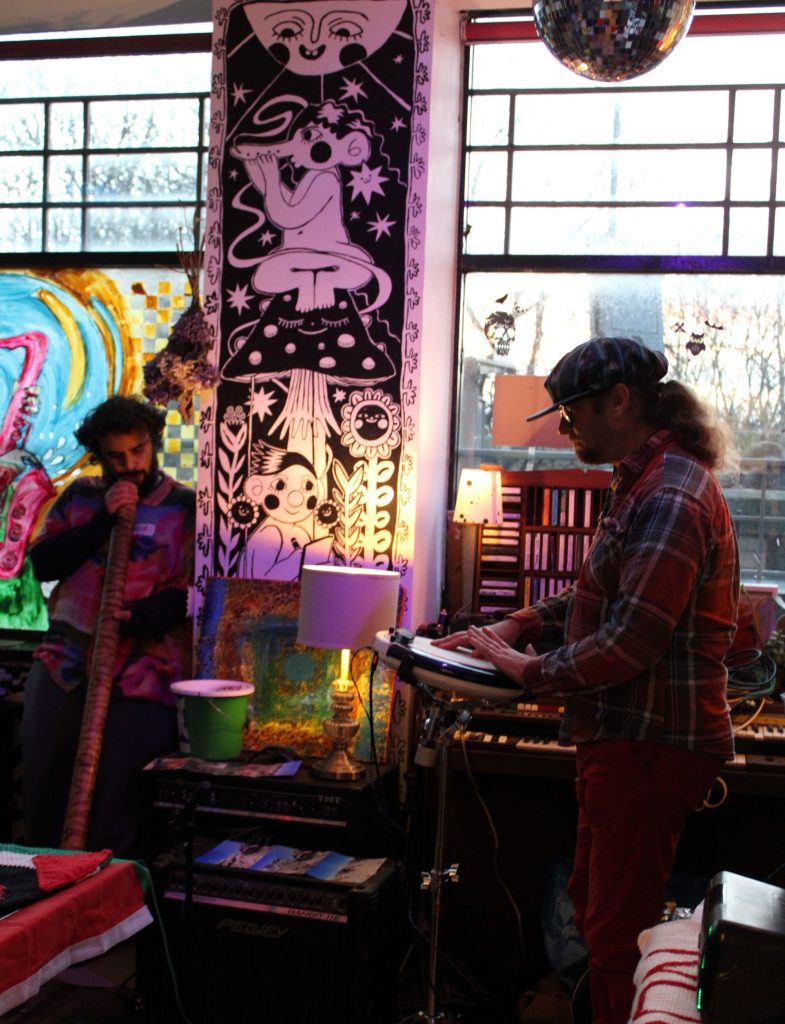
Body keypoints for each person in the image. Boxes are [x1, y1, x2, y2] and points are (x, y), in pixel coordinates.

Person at [435, 337, 739, 1024]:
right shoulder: (646, 479)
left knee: (614, 933)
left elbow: (632, 638)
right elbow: (604, 595)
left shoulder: (670, 494)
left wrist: (530, 670)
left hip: (647, 743)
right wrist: (521, 623)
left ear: (620, 401)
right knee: (596, 913)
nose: (564, 427)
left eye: (572, 412)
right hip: (624, 738)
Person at [22, 395, 195, 857]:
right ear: (100, 455)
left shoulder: (184, 507)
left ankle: (110, 894)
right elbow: (43, 564)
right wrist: (104, 519)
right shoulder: (81, 496)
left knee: (117, 808)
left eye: (138, 451)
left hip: (143, 672)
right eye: (116, 457)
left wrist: (141, 617)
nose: (130, 465)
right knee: (44, 794)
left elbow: (195, 594)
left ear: (153, 443)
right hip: (64, 664)